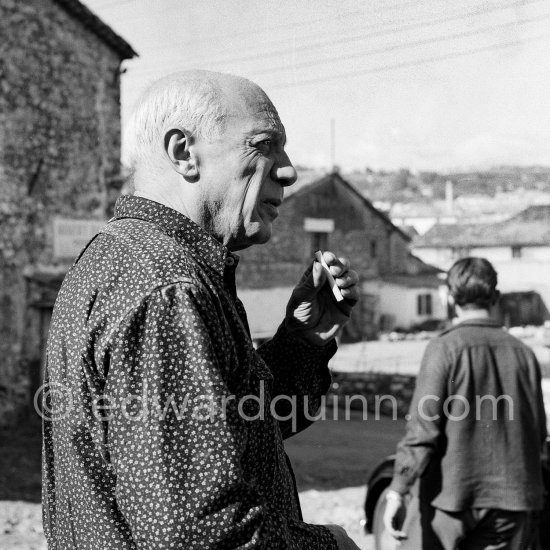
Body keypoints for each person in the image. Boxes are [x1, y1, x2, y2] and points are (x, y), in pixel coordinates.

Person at [42, 70, 361, 549]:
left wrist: (302, 340)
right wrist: (331, 545)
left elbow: (238, 433)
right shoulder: (167, 289)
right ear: (183, 153)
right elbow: (199, 536)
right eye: (263, 145)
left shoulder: (131, 258)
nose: (289, 170)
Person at [384, 257, 547, 549]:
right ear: (496, 296)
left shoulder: (444, 349)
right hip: (511, 504)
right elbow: (537, 433)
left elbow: (423, 430)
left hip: (451, 501)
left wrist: (398, 489)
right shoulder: (524, 354)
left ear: (450, 297)